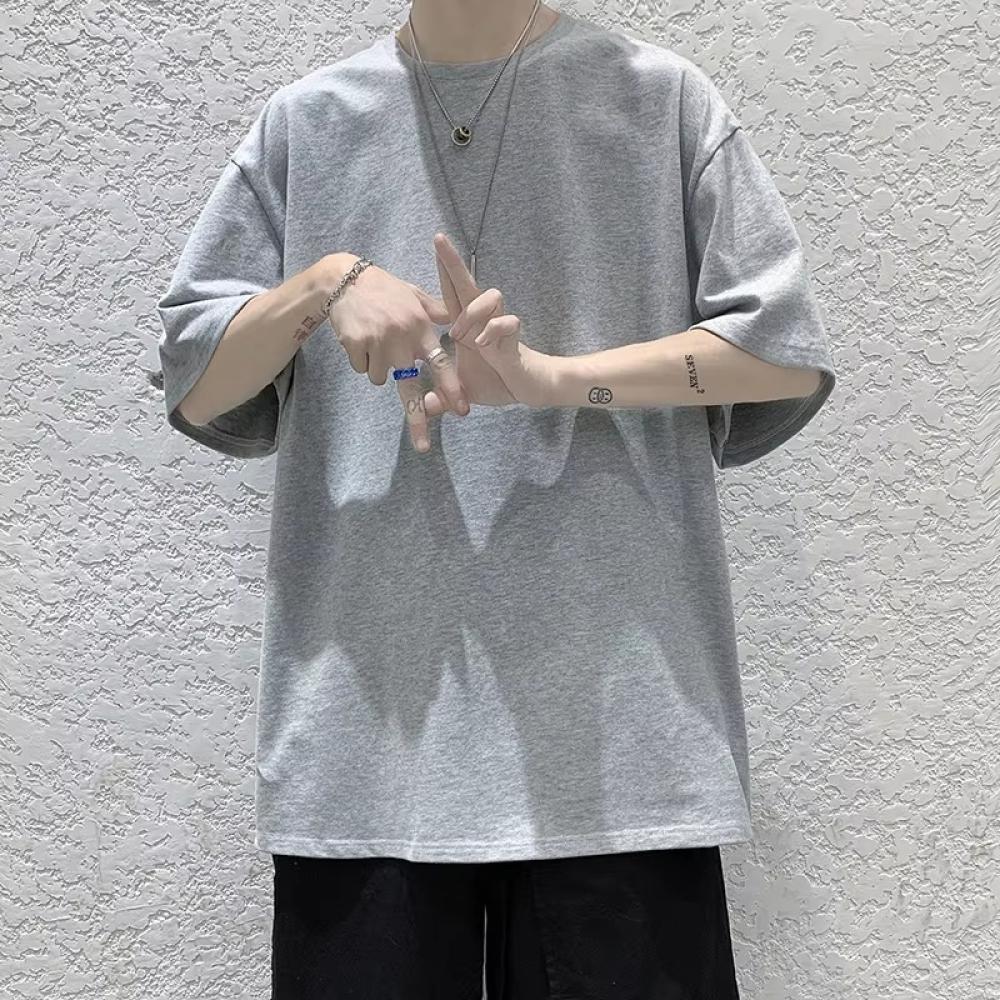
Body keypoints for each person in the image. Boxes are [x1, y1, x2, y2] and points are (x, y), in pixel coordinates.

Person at [154, 1, 836, 996]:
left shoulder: (658, 101)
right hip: (369, 741)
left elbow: (781, 353)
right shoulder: (308, 122)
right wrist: (323, 284)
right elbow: (195, 385)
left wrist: (557, 381)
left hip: (622, 741)